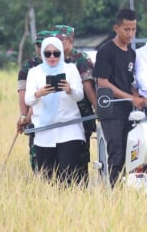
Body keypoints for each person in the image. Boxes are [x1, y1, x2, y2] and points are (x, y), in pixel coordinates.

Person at [93, 9, 147, 186]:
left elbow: (129, 82)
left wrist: (137, 97)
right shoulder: (106, 51)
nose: (130, 33)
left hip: (127, 112)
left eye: (133, 29)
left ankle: (126, 187)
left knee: (130, 153)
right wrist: (131, 99)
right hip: (111, 111)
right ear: (116, 28)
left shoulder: (132, 53)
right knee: (116, 152)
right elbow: (103, 82)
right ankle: (112, 190)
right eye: (126, 29)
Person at [25, 37, 86, 185]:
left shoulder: (70, 69)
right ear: (42, 55)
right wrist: (39, 93)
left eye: (56, 53)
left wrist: (69, 89)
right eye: (48, 53)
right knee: (45, 178)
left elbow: (80, 96)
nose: (52, 57)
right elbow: (28, 100)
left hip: (69, 129)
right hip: (44, 132)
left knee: (68, 177)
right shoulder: (34, 72)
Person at [53, 24, 96, 184]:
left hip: (81, 114)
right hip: (57, 115)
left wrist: (97, 109)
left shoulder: (81, 59)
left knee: (79, 155)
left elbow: (88, 86)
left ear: (70, 40)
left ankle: (80, 187)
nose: (57, 42)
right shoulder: (52, 58)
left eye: (60, 39)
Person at [17, 29, 56, 172]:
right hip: (36, 120)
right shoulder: (28, 67)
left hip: (56, 118)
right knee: (38, 159)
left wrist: (28, 115)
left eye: (43, 45)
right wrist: (24, 116)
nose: (40, 49)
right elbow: (23, 93)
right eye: (38, 45)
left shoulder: (60, 63)